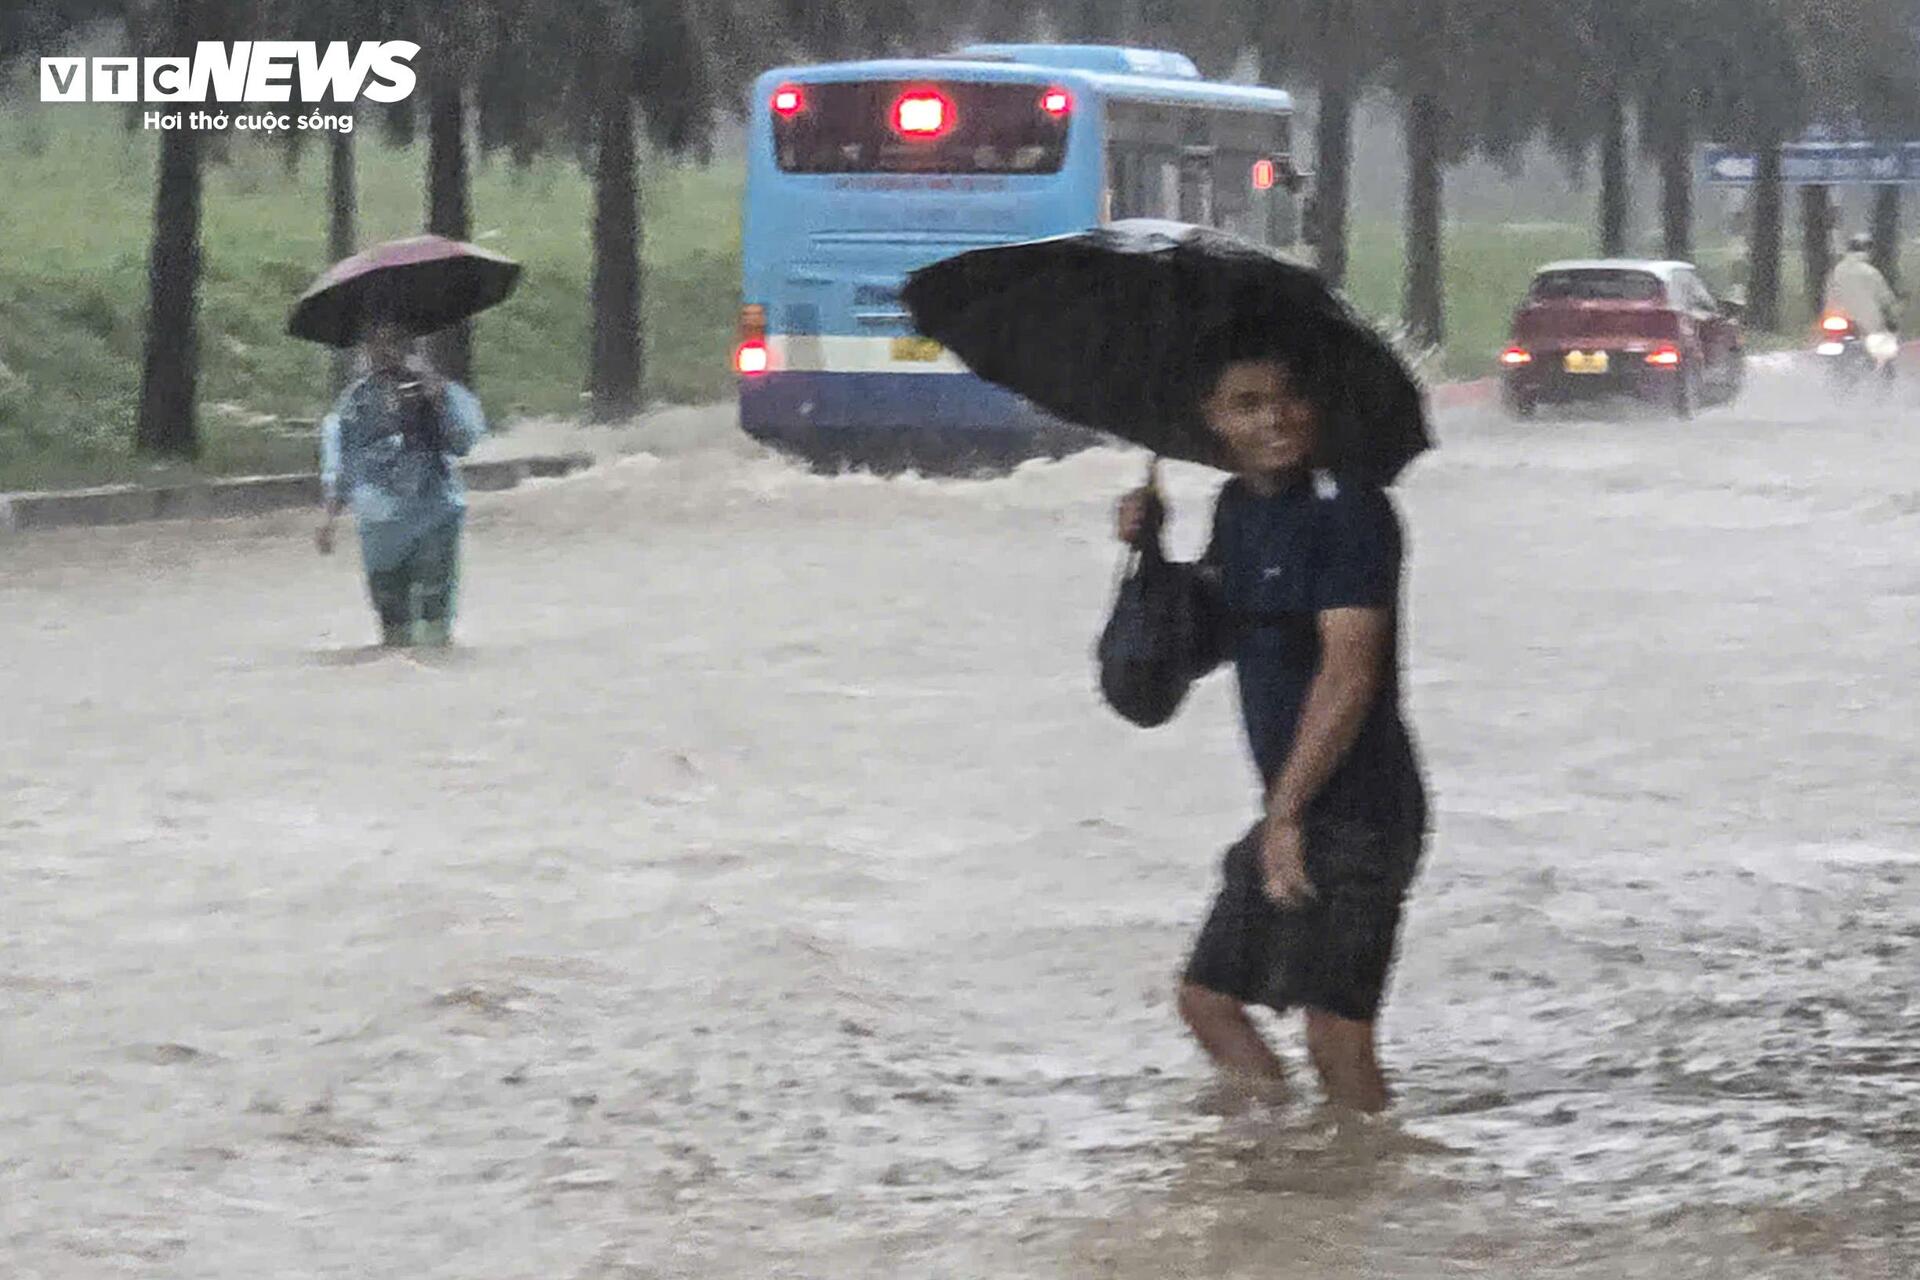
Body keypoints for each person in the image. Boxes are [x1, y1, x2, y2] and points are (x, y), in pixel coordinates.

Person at [1115, 331, 1427, 1114]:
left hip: (1360, 811)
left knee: (1335, 1036)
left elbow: (1348, 673)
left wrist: (1284, 816)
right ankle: (1286, 1181)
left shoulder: (1351, 512)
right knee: (1208, 1000)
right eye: (1247, 405)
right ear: (1211, 422)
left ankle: (1368, 1196)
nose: (1276, 419)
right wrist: (1150, 547)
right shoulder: (1237, 509)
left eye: (1289, 397)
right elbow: (1214, 635)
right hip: (1290, 808)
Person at [317, 315, 486, 647]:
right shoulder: (354, 403)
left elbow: (465, 439)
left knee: (434, 621)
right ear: (365, 349)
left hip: (435, 516)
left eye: (396, 341)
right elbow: (339, 462)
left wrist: (438, 397)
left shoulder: (437, 391)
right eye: (377, 342)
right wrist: (329, 517)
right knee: (393, 627)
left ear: (413, 346)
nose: (387, 351)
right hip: (380, 526)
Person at [1824, 233, 1900, 341]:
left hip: (1838, 321)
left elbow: (1829, 294)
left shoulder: (1837, 270)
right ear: (1869, 250)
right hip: (1868, 326)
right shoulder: (1871, 273)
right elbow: (1885, 299)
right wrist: (1892, 318)